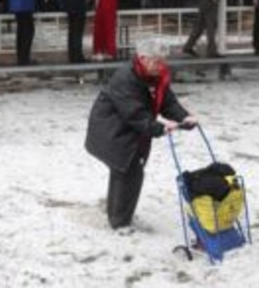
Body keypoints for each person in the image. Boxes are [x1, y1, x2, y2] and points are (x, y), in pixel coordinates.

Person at [85, 44, 198, 232]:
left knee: (123, 170)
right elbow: (135, 114)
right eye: (155, 62)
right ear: (142, 58)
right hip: (111, 130)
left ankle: (117, 214)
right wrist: (160, 128)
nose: (159, 66)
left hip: (127, 130)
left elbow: (167, 102)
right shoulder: (125, 78)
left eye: (162, 62)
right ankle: (120, 222)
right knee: (129, 171)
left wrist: (183, 117)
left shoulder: (156, 77)